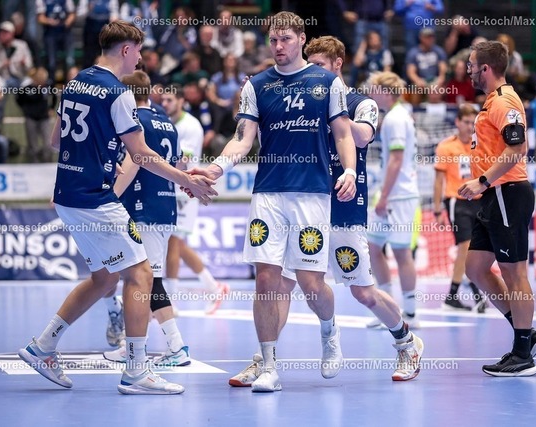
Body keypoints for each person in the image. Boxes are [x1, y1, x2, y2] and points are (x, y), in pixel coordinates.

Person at [17, 21, 216, 394]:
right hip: (95, 197)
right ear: (126, 50)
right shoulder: (119, 94)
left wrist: (98, 152)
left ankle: (42, 346)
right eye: (138, 51)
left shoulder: (75, 82)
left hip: (68, 195)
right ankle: (136, 371)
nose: (140, 58)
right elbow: (140, 155)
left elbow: (57, 140)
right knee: (141, 274)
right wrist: (186, 179)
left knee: (105, 278)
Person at [229, 35, 424, 388]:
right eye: (309, 65)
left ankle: (406, 341)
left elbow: (361, 137)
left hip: (343, 206)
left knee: (363, 292)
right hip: (302, 201)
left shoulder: (362, 103)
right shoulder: (296, 94)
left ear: (337, 65)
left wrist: (328, 109)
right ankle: (264, 360)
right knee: (280, 284)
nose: (311, 72)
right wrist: (263, 99)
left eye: (319, 66)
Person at [192, 11, 357, 392]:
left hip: (312, 192)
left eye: (285, 39)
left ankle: (329, 330)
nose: (278, 46)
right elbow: (242, 139)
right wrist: (215, 168)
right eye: (273, 40)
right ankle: (268, 364)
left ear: (301, 39)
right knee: (266, 278)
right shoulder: (257, 85)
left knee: (311, 282)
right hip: (268, 192)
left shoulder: (327, 82)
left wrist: (348, 170)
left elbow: (343, 134)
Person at [458, 41, 536, 376]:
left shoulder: (504, 101)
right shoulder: (491, 102)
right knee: (475, 268)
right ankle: (527, 333)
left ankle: (523, 355)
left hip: (507, 193)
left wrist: (482, 181)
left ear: (486, 68)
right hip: (493, 196)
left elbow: (517, 149)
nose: (468, 70)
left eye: (471, 65)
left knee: (514, 272)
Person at [102, 71, 192, 366]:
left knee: (148, 281)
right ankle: (132, 344)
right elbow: (180, 163)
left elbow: (133, 164)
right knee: (140, 278)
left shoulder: (134, 122)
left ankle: (175, 347)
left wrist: (109, 198)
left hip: (143, 209)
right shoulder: (167, 121)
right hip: (164, 207)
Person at [161, 86, 230, 315]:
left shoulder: (191, 126)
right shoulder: (165, 122)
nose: (165, 104)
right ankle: (214, 288)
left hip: (185, 191)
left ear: (181, 101)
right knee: (177, 245)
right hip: (170, 188)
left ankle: (169, 301)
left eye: (170, 100)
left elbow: (181, 161)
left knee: (173, 242)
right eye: (163, 100)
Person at [365, 71, 420, 329]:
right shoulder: (394, 116)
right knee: (373, 247)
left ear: (386, 92)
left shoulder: (396, 118)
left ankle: (411, 313)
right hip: (391, 193)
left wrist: (384, 196)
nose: (370, 93)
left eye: (374, 89)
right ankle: (387, 307)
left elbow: (396, 160)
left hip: (399, 196)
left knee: (401, 251)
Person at [433, 103, 485, 311]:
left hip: (479, 200)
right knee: (465, 246)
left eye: (473, 123)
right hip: (457, 201)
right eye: (466, 122)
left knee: (476, 249)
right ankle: (471, 294)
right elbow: (439, 181)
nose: (469, 126)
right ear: (457, 122)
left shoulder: (479, 145)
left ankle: (456, 296)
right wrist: (437, 209)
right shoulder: (446, 147)